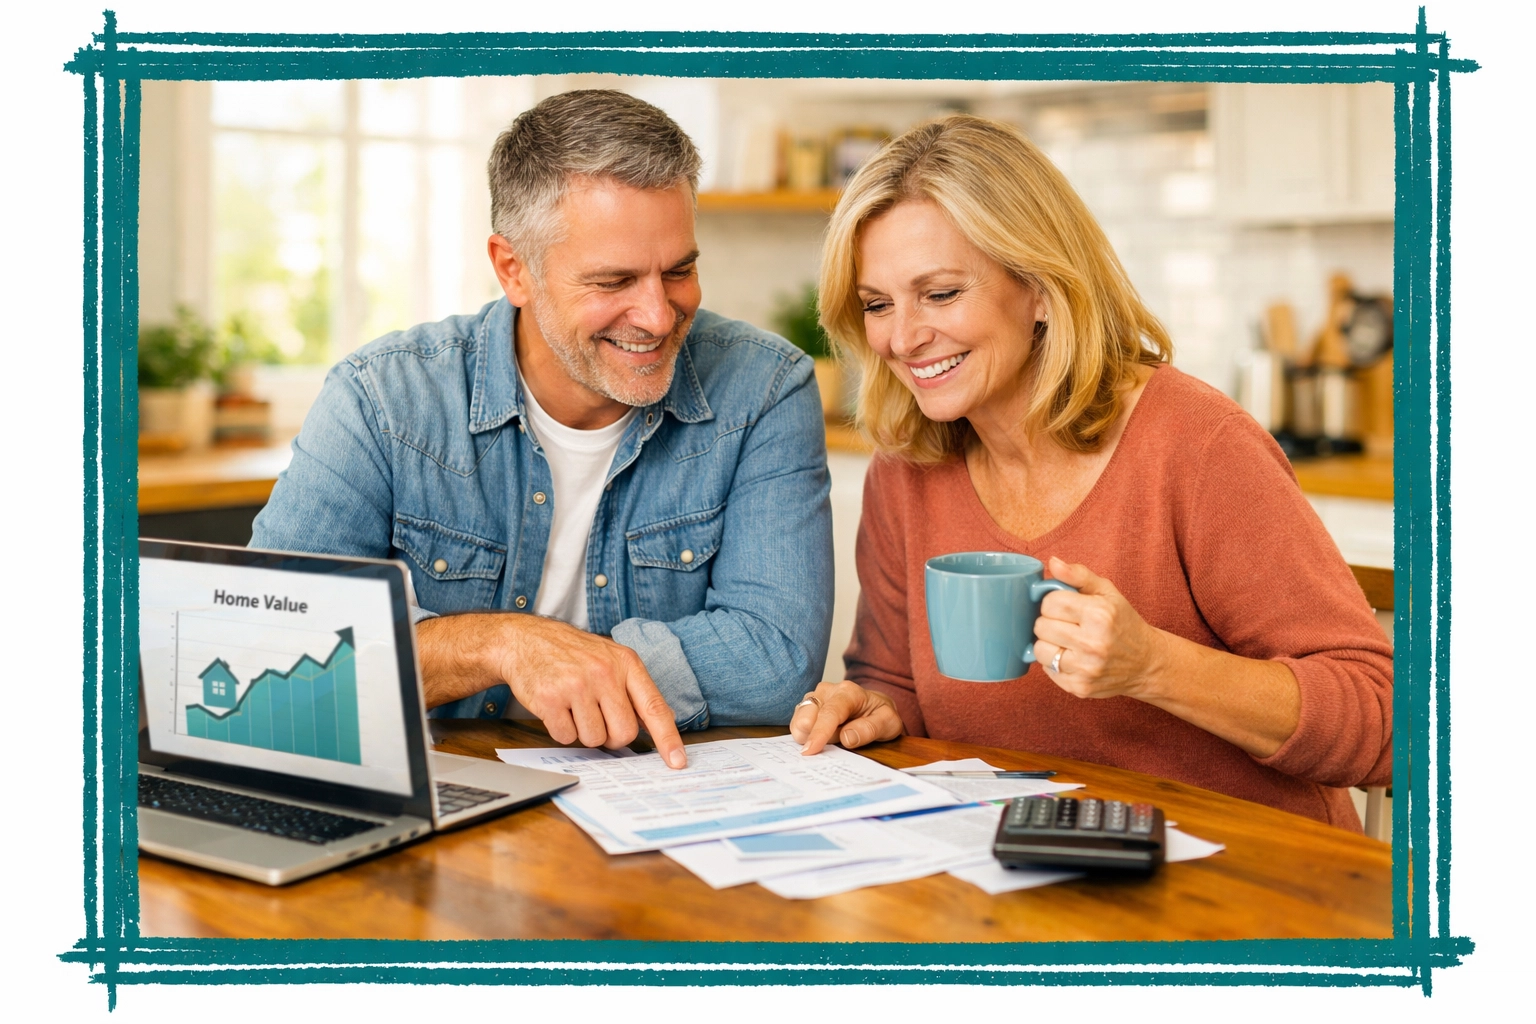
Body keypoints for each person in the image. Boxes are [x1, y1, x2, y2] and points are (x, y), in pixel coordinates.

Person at [790, 114, 1392, 829]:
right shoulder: (907, 467)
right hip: (1020, 861)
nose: (901, 337)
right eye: (877, 305)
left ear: (1041, 288)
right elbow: (896, 683)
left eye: (942, 293)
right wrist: (873, 706)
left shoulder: (1198, 446)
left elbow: (1383, 720)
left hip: (1249, 873)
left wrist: (1152, 666)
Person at [252, 90, 834, 771]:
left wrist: (561, 672)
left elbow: (775, 660)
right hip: (447, 791)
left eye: (679, 270)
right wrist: (504, 648)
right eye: (613, 281)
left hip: (659, 797)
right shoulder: (380, 399)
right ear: (513, 269)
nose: (656, 315)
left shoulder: (765, 388)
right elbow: (272, 642)